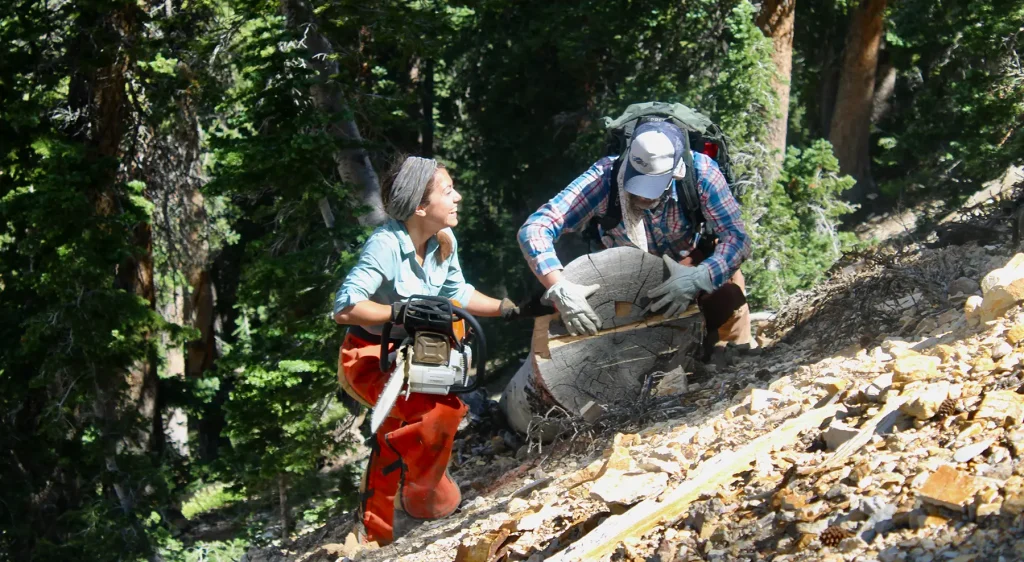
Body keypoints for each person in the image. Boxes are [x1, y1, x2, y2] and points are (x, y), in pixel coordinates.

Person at [333, 156, 518, 545]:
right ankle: (423, 501)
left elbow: (458, 294)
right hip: (370, 356)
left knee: (397, 430)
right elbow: (346, 307)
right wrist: (397, 311)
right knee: (435, 412)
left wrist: (506, 307)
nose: (458, 197)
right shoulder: (384, 245)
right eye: (448, 191)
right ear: (420, 206)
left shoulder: (444, 242)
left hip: (416, 356)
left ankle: (378, 531)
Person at [517, 120, 753, 356]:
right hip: (627, 282)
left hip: (691, 267)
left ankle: (729, 358)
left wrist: (701, 277)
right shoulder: (605, 177)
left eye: (652, 186)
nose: (641, 194)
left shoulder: (702, 174)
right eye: (636, 182)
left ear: (676, 173)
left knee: (729, 305)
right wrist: (558, 286)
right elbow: (535, 228)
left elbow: (736, 238)